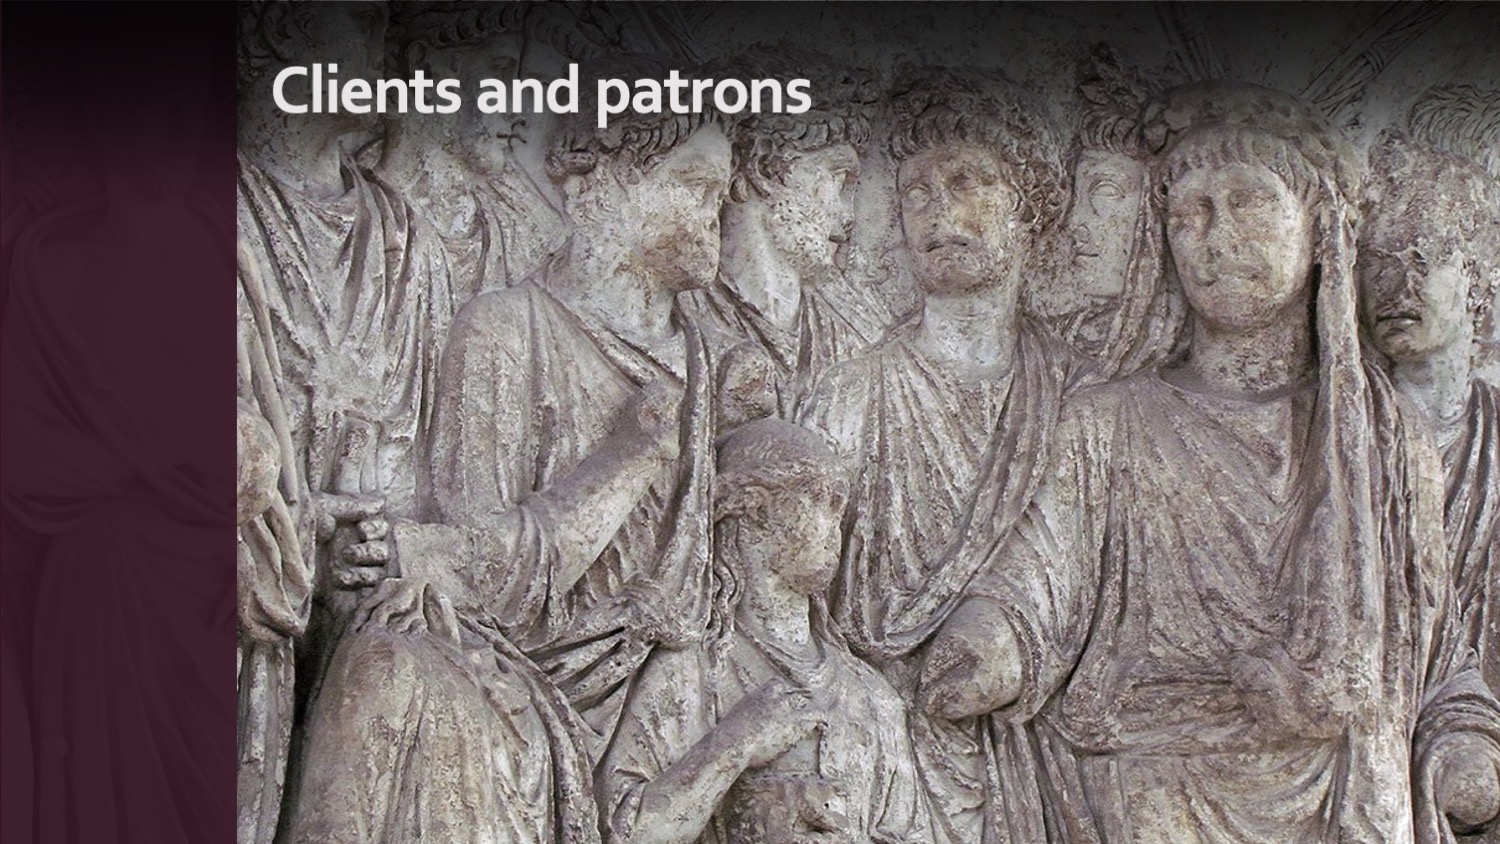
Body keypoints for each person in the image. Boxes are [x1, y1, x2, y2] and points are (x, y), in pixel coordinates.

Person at [921, 82, 1500, 843]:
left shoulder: (1385, 441)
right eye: (1189, 215)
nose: (1217, 237)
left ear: (1319, 229)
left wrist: (1463, 744)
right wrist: (988, 643)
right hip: (1143, 781)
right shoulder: (1107, 421)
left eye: (1248, 204)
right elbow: (1036, 583)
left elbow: (1433, 650)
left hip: (1343, 787)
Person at [281, 55, 736, 844]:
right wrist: (627, 459)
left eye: (722, 196)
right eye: (694, 186)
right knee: (385, 672)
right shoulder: (504, 330)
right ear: (603, 186)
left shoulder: (709, 361)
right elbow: (491, 575)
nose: (715, 217)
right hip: (520, 666)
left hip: (662, 689)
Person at [799, 68, 1094, 844]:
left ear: (1028, 205)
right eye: (916, 193)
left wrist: (1021, 644)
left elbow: (1111, 580)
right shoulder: (849, 395)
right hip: (876, 756)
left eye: (966, 182)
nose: (937, 210)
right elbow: (795, 590)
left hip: (1041, 753)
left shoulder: (1083, 398)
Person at [602, 418, 933, 844]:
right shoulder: (692, 673)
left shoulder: (874, 701)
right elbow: (626, 831)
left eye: (840, 505)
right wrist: (735, 744)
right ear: (753, 506)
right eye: (821, 498)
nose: (837, 524)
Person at [1358, 132, 1500, 699]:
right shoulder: (1340, 431)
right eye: (1377, 264)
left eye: (1424, 258)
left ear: (1479, 282)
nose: (1398, 287)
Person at [686, 46, 885, 423]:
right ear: (763, 167)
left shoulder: (856, 333)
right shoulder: (685, 317)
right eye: (838, 179)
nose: (848, 216)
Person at [376, 4, 568, 300]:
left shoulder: (526, 232)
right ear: (423, 68)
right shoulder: (363, 219)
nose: (515, 109)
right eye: (499, 72)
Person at [1033, 45, 1179, 378]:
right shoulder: (1053, 344)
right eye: (1075, 197)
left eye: (1105, 192)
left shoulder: (1186, 364)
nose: (1074, 222)